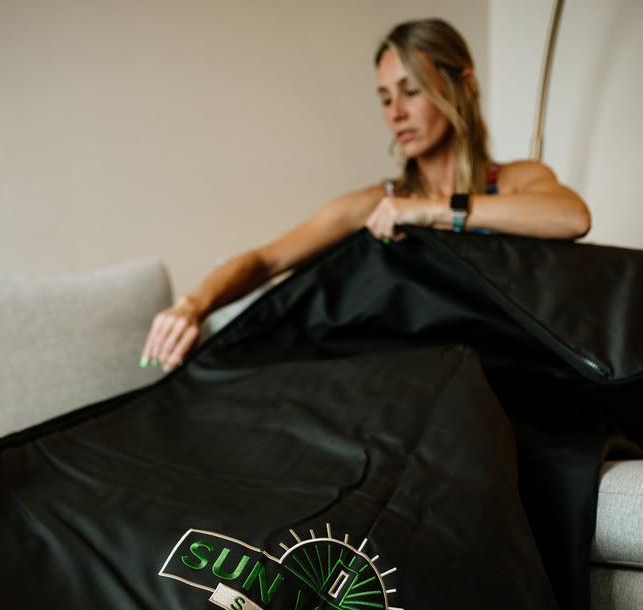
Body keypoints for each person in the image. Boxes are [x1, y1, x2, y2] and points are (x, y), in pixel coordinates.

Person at [140, 18, 591, 373]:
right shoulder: (377, 205)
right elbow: (267, 261)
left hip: (510, 374)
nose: (396, 113)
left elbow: (571, 217)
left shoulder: (514, 180)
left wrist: (431, 210)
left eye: (412, 92)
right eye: (384, 98)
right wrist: (190, 306)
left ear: (464, 86)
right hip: (416, 383)